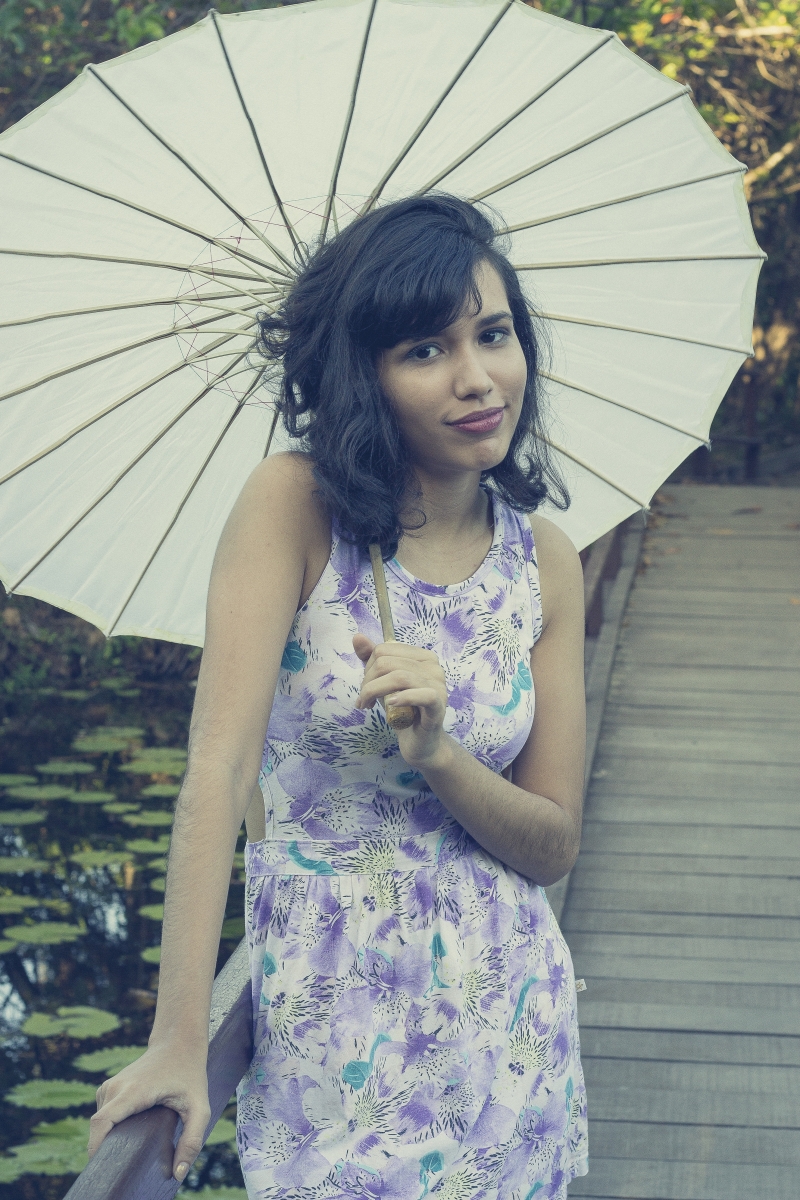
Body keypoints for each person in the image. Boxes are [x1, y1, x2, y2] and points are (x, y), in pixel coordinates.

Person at [88, 194, 589, 1199]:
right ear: (364, 374)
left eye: (493, 335)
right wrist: (178, 1041)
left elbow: (551, 846)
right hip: (336, 1031)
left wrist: (439, 755)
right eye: (424, 350)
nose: (476, 378)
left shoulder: (545, 561)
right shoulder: (293, 505)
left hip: (510, 1033)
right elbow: (217, 770)